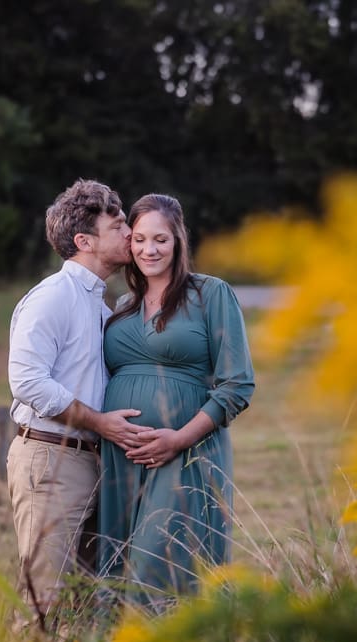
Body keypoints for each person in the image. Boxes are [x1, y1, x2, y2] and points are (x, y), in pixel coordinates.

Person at [98, 193, 255, 609]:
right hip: (121, 456)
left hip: (185, 452)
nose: (150, 250)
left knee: (162, 561)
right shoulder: (124, 305)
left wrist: (179, 439)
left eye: (161, 240)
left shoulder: (211, 294)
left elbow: (237, 384)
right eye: (141, 239)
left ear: (178, 241)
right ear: (129, 244)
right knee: (118, 566)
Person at [7, 178, 150, 627]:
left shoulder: (102, 307)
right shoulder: (53, 297)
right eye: (119, 223)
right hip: (51, 460)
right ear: (84, 241)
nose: (130, 231)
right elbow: (26, 381)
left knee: (84, 602)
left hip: (91, 461)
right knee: (42, 603)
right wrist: (99, 422)